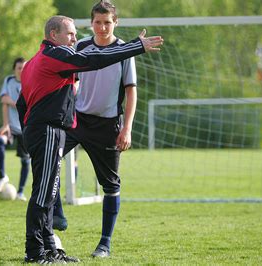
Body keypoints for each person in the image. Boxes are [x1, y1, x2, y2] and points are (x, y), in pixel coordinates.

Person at [16, 15, 163, 263]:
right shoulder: (56, 55)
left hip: (45, 131)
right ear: (53, 35)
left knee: (49, 193)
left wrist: (27, 132)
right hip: (48, 131)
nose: (75, 38)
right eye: (70, 33)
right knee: (43, 194)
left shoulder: (34, 61)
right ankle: (35, 252)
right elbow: (93, 60)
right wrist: (135, 47)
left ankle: (50, 248)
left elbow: (22, 103)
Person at [55, 0, 146, 258]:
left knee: (110, 185)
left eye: (107, 22)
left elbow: (131, 92)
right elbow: (67, 77)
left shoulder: (125, 51)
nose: (102, 27)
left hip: (107, 125)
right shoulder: (81, 46)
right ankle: (57, 211)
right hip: (77, 120)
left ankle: (105, 243)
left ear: (115, 22)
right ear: (91, 23)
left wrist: (126, 129)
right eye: (97, 22)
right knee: (48, 156)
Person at [0, 57, 31, 201]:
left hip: (26, 127)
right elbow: (3, 101)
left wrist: (14, 103)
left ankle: (21, 191)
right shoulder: (8, 81)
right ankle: (3, 176)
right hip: (11, 126)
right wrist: (5, 124)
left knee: (25, 160)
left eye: (24, 68)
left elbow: (27, 104)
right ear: (14, 69)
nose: (22, 70)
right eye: (19, 68)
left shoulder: (31, 80)